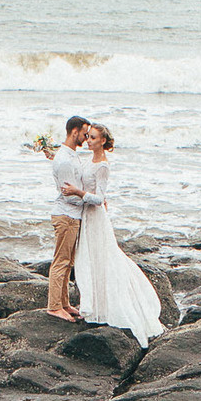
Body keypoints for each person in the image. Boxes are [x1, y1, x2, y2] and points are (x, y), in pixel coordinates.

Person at [66, 122, 165, 344]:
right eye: (88, 137)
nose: (88, 140)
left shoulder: (103, 165)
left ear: (102, 141)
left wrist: (77, 192)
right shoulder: (89, 160)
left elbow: (99, 199)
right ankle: (94, 303)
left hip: (95, 217)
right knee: (89, 258)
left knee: (103, 257)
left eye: (93, 138)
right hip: (87, 216)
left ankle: (107, 305)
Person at [37, 116, 98, 318]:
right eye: (84, 133)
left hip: (72, 216)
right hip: (66, 215)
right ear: (74, 132)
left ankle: (64, 303)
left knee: (68, 262)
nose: (86, 137)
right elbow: (68, 194)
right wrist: (90, 199)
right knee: (61, 262)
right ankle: (54, 307)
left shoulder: (70, 155)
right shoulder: (64, 160)